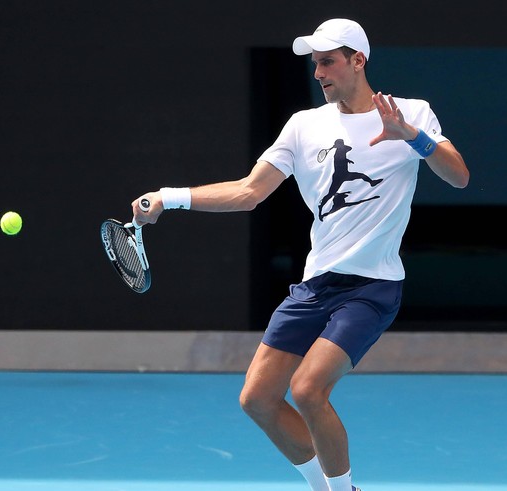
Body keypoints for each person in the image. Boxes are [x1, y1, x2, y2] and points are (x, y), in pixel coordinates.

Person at [132, 18, 469, 491]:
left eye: (328, 61)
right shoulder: (303, 125)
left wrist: (412, 135)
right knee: (257, 398)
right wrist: (170, 196)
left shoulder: (412, 112)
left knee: (309, 390)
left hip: (371, 288)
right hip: (316, 286)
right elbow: (250, 191)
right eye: (315, 63)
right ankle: (324, 486)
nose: (319, 72)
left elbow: (459, 176)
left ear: (358, 61)